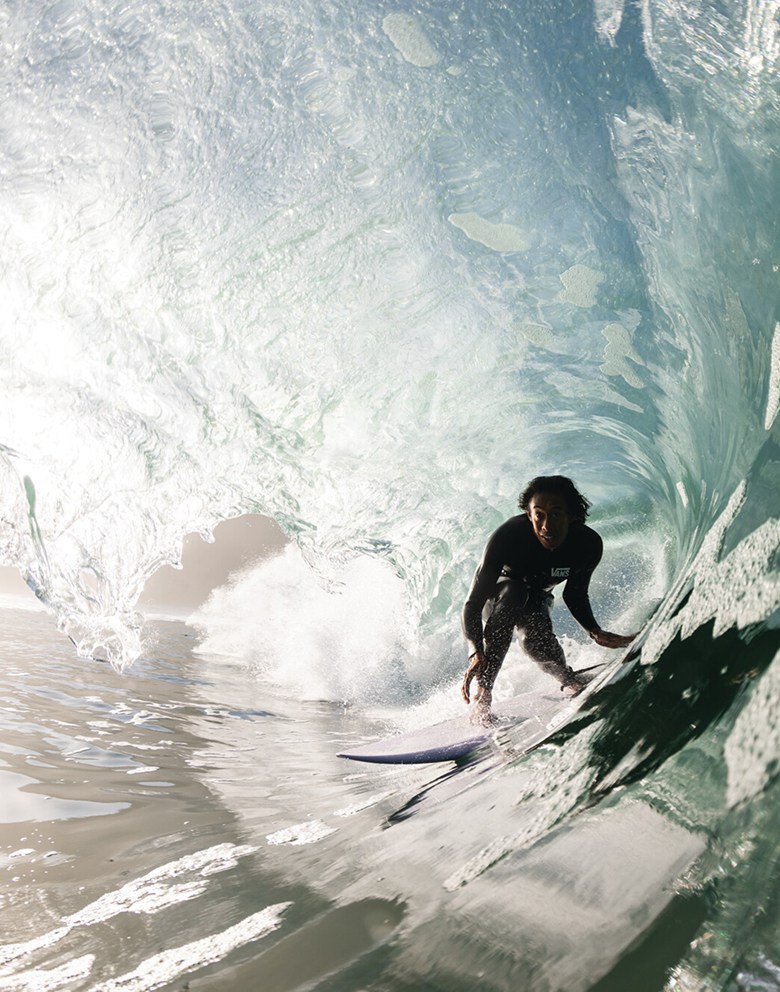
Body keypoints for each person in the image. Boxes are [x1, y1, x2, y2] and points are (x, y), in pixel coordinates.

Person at [461, 475, 637, 721]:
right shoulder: (508, 536)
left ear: (571, 515)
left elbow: (574, 593)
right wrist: (475, 651)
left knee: (536, 642)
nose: (546, 525)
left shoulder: (587, 544)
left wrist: (594, 630)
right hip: (500, 596)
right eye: (538, 514)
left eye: (555, 514)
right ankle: (483, 694)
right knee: (514, 592)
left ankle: (569, 679)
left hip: (537, 598)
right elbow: (472, 603)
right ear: (528, 514)